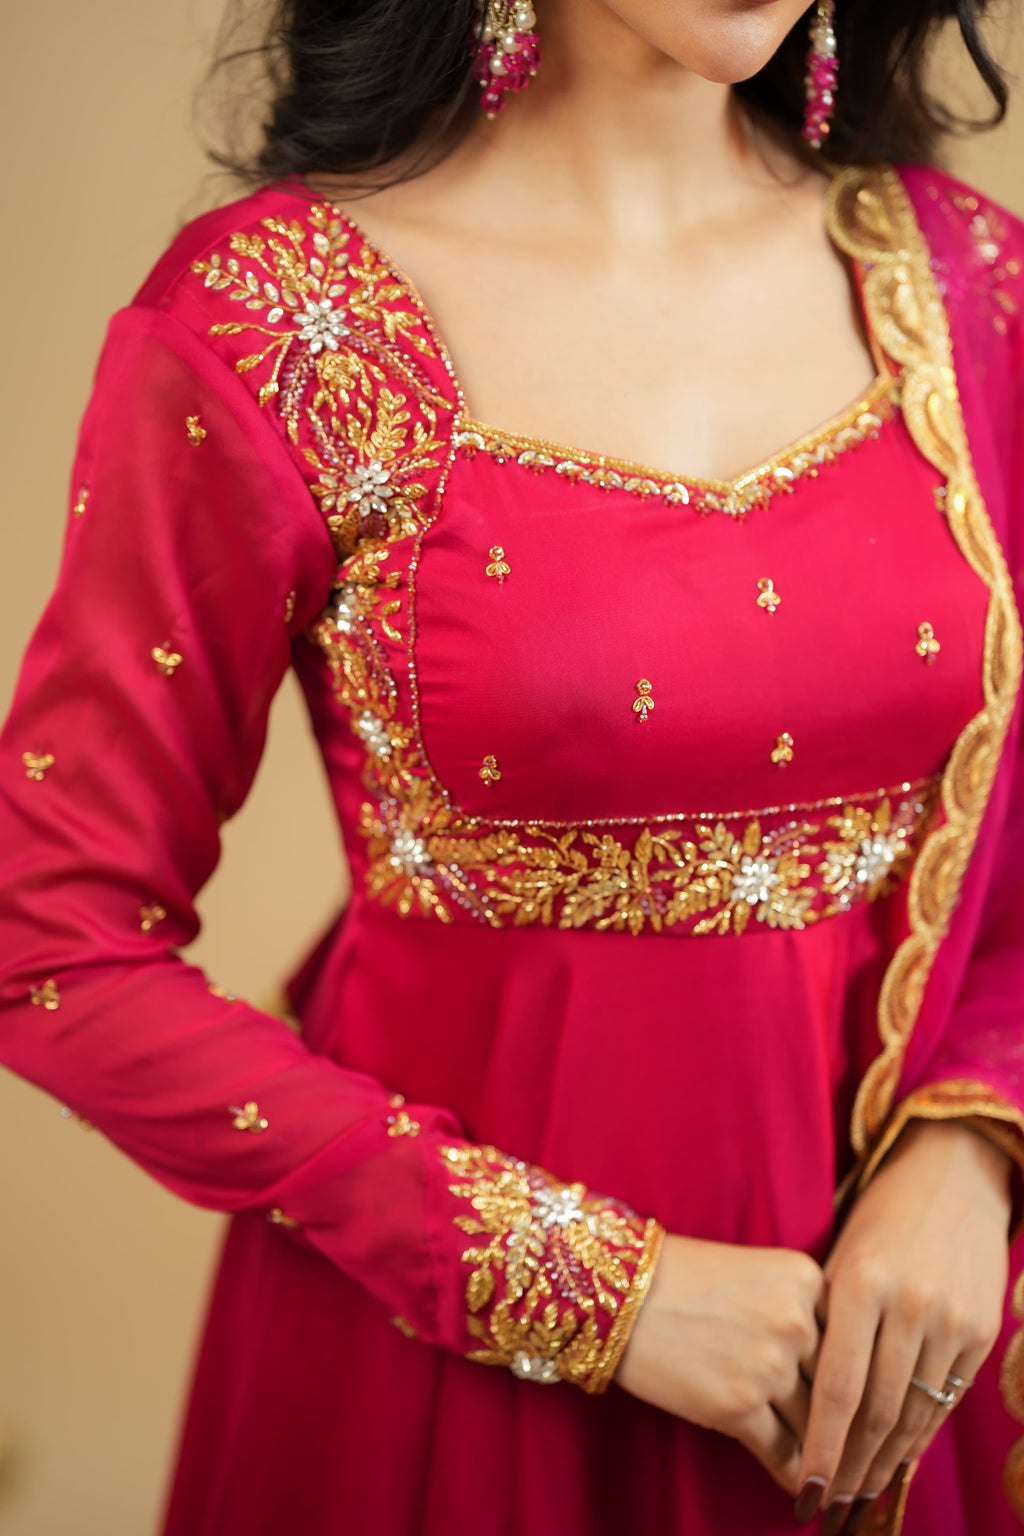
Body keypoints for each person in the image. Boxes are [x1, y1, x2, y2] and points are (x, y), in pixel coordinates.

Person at [1, 0, 1023, 1531]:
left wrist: (972, 1149)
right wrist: (589, 1290)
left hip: (891, 1357)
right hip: (454, 1379)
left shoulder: (967, 286)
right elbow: (51, 938)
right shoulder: (273, 319)